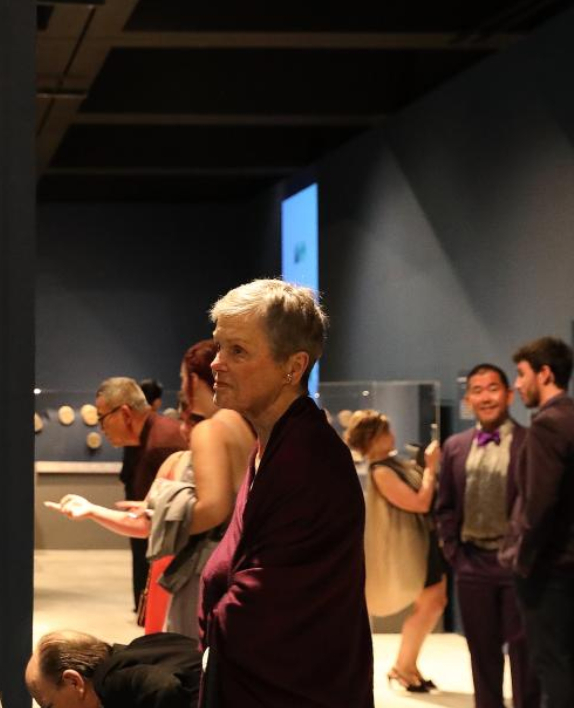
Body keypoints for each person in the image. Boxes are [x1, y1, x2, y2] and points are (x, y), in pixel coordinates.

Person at [199, 279, 372, 707]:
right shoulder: (273, 442)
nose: (216, 364)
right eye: (219, 347)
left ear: (292, 368)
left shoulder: (309, 460)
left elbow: (271, 607)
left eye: (237, 351)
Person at [47, 342, 253, 637]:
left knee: (190, 664)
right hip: (231, 565)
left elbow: (212, 508)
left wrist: (159, 518)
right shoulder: (243, 426)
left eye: (184, 379)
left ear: (195, 379)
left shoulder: (211, 430)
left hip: (203, 569)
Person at [436, 364, 539, 708]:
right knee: (482, 654)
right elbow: (445, 505)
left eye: (493, 388)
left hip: (517, 565)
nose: (486, 396)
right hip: (471, 564)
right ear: (468, 400)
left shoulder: (529, 442)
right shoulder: (454, 446)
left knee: (524, 656)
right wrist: (454, 552)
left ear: (509, 395)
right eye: (477, 390)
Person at [344, 410, 446, 693]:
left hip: (423, 541)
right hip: (413, 545)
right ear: (374, 438)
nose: (393, 436)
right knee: (431, 603)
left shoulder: (392, 464)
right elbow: (420, 503)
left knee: (433, 602)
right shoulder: (382, 471)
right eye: (387, 432)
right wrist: (431, 467)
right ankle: (402, 667)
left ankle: (408, 665)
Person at [502, 337, 574, 706]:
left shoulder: (548, 425)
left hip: (550, 571)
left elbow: (538, 504)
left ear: (545, 373)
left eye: (521, 374)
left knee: (553, 668)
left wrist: (521, 561)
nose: (517, 384)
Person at [99, 377, 187, 612]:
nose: (101, 427)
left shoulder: (162, 443)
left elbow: (160, 522)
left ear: (125, 413)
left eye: (102, 417)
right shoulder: (149, 437)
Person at [25, 630, 201, 708]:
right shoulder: (140, 648)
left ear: (74, 681)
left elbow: (165, 686)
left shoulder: (109, 682)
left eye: (49, 707)